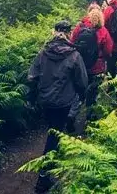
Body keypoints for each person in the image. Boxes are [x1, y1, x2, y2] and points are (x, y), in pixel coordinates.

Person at [27, 20, 88, 191]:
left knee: (52, 130)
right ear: (69, 33)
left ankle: (51, 162)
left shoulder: (43, 53)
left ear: (54, 32)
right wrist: (82, 96)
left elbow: (32, 76)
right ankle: (44, 177)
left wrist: (32, 97)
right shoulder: (74, 55)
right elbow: (82, 81)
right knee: (55, 135)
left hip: (45, 101)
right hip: (64, 102)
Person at [69, 3, 113, 122]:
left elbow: (72, 43)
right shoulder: (103, 31)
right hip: (97, 67)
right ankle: (90, 118)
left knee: (78, 91)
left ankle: (71, 115)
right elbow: (108, 50)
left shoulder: (79, 27)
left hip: (80, 65)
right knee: (92, 93)